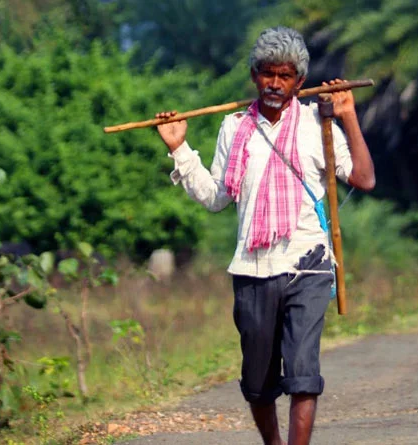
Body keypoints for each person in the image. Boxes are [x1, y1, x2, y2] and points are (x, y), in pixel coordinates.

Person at [155, 26, 375, 445]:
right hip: (252, 271)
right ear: (254, 75)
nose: (275, 83)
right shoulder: (233, 128)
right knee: (257, 383)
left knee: (303, 374)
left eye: (285, 75)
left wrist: (347, 115)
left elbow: (363, 177)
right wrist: (180, 149)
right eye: (266, 73)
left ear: (300, 82)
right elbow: (216, 196)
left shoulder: (318, 124)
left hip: (308, 265)